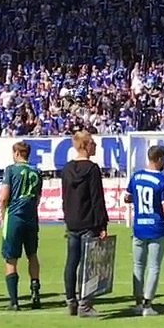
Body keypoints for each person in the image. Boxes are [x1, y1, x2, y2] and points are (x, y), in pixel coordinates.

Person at [61, 131, 109, 318]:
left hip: (72, 221)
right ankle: (85, 303)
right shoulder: (92, 169)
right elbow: (97, 198)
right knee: (89, 264)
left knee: (71, 262)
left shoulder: (66, 169)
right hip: (88, 221)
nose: (95, 146)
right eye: (93, 143)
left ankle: (70, 300)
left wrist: (67, 217)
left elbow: (65, 196)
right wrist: (102, 224)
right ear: (85, 145)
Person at [128, 145, 164, 316]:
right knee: (154, 266)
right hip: (156, 228)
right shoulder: (163, 182)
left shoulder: (137, 176)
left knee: (138, 265)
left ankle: (138, 302)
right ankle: (148, 305)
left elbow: (127, 197)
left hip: (139, 226)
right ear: (160, 159)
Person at [0, 141, 42, 311]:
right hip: (31, 217)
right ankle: (35, 292)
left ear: (16, 153)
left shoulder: (11, 170)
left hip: (14, 217)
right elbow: (38, 198)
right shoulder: (37, 171)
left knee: (11, 258)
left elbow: (4, 197)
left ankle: (14, 300)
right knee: (32, 255)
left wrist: (2, 215)